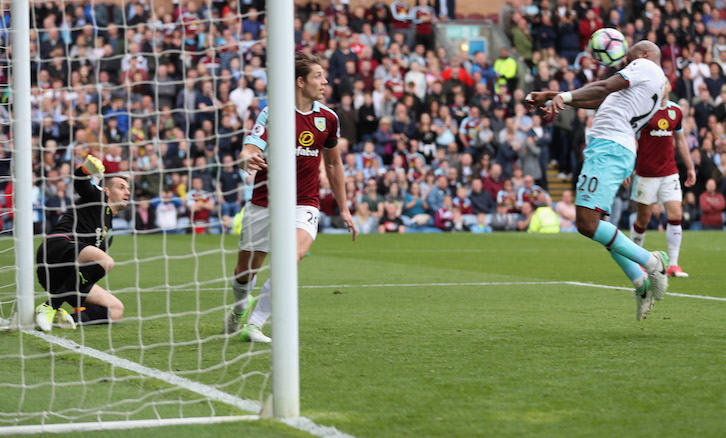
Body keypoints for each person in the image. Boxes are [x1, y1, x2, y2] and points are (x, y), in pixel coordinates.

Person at [528, 40, 670, 321]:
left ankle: (653, 262)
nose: (624, 59)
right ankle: (640, 283)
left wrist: (565, 97)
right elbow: (598, 98)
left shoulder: (644, 66)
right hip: (610, 148)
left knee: (587, 223)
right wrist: (552, 95)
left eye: (628, 55)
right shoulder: (645, 82)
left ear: (642, 54)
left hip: (609, 147)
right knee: (596, 222)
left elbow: (604, 88)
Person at [226, 52, 358, 343]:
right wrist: (246, 159)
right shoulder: (274, 113)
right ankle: (238, 311)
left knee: (291, 258)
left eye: (324, 76)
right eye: (318, 76)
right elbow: (250, 148)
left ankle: (256, 324)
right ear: (301, 82)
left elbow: (334, 164)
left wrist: (345, 209)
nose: (325, 82)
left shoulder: (329, 118)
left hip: (304, 202)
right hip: (265, 201)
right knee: (245, 271)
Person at [35, 155, 128, 331]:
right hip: (56, 249)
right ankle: (49, 306)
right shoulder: (97, 197)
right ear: (107, 190)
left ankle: (71, 318)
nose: (127, 192)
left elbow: (89, 269)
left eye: (128, 189)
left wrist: (80, 304)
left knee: (116, 309)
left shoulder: (109, 233)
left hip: (62, 279)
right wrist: (86, 169)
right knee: (106, 260)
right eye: (121, 187)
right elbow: (80, 181)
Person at [628, 81, 697, 278]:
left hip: (669, 173)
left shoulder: (676, 111)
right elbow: (632, 140)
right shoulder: (643, 109)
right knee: (643, 218)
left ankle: (673, 265)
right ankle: (635, 260)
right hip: (646, 174)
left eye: (666, 82)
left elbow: (680, 140)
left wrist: (690, 167)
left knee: (676, 214)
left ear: (669, 87)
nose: (663, 85)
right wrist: (628, 167)